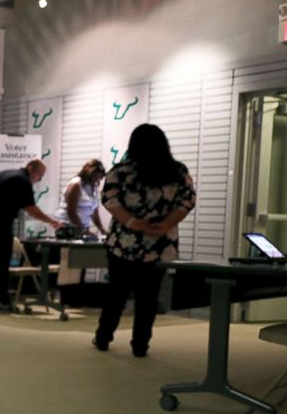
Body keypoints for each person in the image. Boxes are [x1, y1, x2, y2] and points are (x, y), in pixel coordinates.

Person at [94, 124, 196, 357]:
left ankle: (103, 337)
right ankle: (140, 345)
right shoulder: (177, 171)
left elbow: (109, 200)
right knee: (148, 296)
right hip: (160, 244)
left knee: (116, 293)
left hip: (124, 243)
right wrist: (166, 224)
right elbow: (187, 201)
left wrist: (132, 223)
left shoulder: (121, 171)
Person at [0, 159, 62, 313]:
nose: (39, 179)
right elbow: (31, 209)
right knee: (1, 264)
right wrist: (51, 221)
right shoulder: (22, 181)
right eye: (40, 175)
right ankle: (2, 302)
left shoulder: (2, 174)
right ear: (31, 168)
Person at [53, 159, 107, 237]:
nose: (98, 180)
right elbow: (71, 212)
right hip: (68, 227)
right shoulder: (76, 184)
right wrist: (83, 230)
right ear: (90, 173)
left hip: (81, 228)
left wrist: (101, 229)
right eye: (97, 177)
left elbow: (94, 212)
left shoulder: (93, 187)